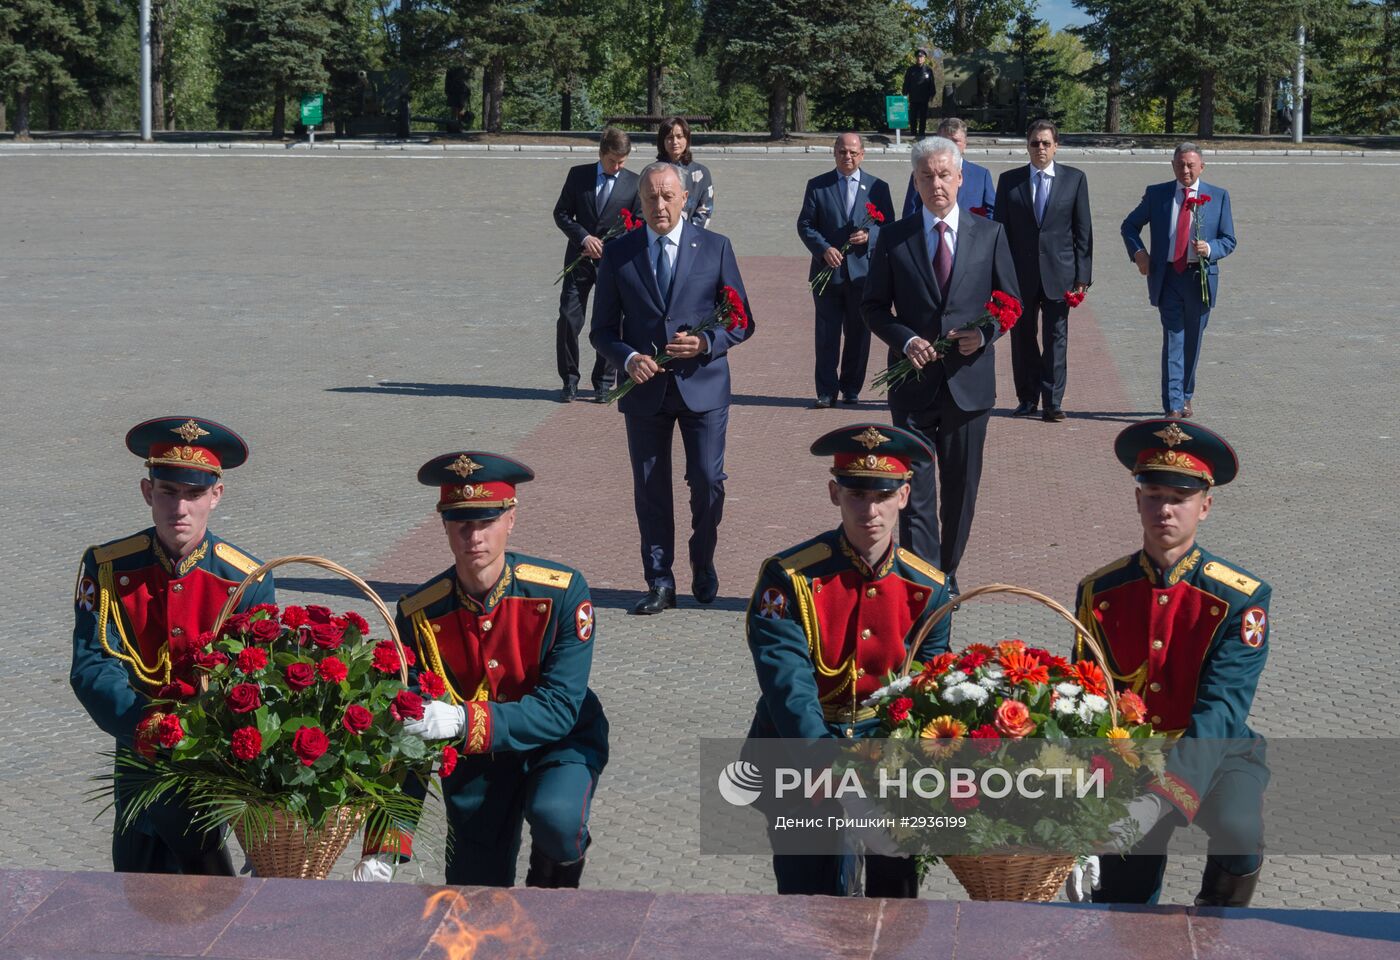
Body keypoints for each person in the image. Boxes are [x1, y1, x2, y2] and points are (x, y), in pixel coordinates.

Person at [353, 451, 608, 888]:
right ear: (445, 526)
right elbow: (406, 733)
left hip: (557, 740)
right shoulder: (420, 612)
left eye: (486, 521)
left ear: (511, 519)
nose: (474, 536)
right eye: (462, 523)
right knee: (474, 891)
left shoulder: (563, 592)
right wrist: (384, 847)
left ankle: (552, 904)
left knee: (556, 819)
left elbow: (560, 706)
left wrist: (461, 718)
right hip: (476, 762)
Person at [1066, 419, 1269, 907]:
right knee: (1124, 901)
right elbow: (1084, 697)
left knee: (1240, 831)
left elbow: (1222, 708)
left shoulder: (1239, 598)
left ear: (1205, 505)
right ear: (1137, 500)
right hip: (1128, 758)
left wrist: (1158, 799)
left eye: (1179, 497)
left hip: (1214, 753)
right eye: (1153, 494)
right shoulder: (1101, 591)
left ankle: (1219, 922)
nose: (1165, 509)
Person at [745, 423, 952, 896]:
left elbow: (927, 686)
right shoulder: (789, 577)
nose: (870, 510)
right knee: (808, 899)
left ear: (904, 495)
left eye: (883, 495)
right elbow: (787, 685)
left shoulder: (929, 587)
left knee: (895, 901)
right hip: (802, 753)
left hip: (888, 755)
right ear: (834, 492)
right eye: (857, 495)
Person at [71, 416, 274, 874]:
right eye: (167, 492)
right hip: (137, 749)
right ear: (147, 492)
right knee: (135, 881)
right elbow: (92, 666)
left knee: (208, 889)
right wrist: (150, 727)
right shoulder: (107, 567)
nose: (179, 508)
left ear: (216, 496)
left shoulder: (245, 580)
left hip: (211, 766)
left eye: (194, 494)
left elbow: (253, 679)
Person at [590, 162, 755, 615]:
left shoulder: (715, 248)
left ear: (685, 198)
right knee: (650, 489)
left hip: (703, 387)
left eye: (667, 196)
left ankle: (703, 560)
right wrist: (627, 358)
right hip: (645, 391)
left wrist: (705, 342)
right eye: (649, 198)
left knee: (707, 480)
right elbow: (601, 329)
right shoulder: (620, 253)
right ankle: (660, 581)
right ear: (638, 202)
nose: (659, 205)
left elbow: (742, 322)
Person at [862, 136, 1019, 597]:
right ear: (915, 181)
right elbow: (873, 307)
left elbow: (1008, 301)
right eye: (927, 176)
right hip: (911, 388)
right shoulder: (894, 238)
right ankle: (924, 578)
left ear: (960, 179)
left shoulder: (989, 234)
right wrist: (905, 338)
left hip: (969, 388)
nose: (937, 184)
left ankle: (948, 570)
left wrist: (985, 334)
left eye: (944, 174)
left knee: (961, 490)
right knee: (915, 491)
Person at [1119, 142, 1236, 418]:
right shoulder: (1157, 194)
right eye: (1180, 164)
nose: (1185, 170)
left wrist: (1210, 249)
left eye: (1191, 165)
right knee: (1173, 339)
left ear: (1202, 167)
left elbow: (1229, 239)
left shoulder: (1218, 197)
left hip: (1200, 280)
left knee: (1192, 341)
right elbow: (1129, 226)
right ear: (1173, 166)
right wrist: (1139, 254)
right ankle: (1172, 404)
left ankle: (1186, 395)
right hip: (1168, 276)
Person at [994, 119, 1093, 422]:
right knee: (1022, 339)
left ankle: (1053, 401)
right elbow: (1000, 232)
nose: (1040, 148)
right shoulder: (1009, 181)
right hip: (1019, 276)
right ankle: (1027, 398)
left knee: (1056, 338)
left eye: (1046, 143)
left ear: (1056, 146)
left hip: (1059, 274)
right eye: (1035, 143)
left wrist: (1082, 277)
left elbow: (1083, 231)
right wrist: (999, 276)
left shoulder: (1074, 179)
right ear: (1027, 145)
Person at [796, 133, 896, 408]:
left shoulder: (878, 187)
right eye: (842, 152)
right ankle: (826, 391)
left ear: (862, 154)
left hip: (862, 274)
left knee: (858, 334)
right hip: (827, 273)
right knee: (827, 335)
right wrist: (823, 249)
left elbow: (889, 225)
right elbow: (805, 224)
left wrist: (870, 235)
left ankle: (851, 388)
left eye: (852, 152)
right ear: (834, 153)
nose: (847, 157)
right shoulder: (818, 186)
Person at [553, 126, 641, 403]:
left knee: (610, 322)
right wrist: (583, 237)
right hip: (579, 260)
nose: (617, 167)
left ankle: (604, 382)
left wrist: (614, 244)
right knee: (568, 317)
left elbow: (638, 223)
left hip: (612, 264)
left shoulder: (633, 182)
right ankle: (569, 380)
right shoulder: (578, 176)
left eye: (622, 162)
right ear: (601, 154)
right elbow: (562, 213)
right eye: (613, 161)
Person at [901, 117, 995, 221]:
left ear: (965, 144)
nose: (950, 146)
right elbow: (910, 212)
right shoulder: (922, 173)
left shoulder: (981, 175)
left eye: (955, 141)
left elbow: (991, 211)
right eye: (945, 141)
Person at [657, 116, 714, 229]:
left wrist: (688, 234)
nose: (675, 142)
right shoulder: (654, 172)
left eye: (679, 137)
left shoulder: (701, 173)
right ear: (662, 141)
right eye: (669, 137)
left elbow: (705, 210)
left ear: (687, 139)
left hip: (691, 235)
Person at [901, 49, 934, 140]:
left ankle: (922, 132)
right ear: (916, 58)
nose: (919, 59)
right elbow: (906, 82)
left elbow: (931, 83)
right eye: (918, 57)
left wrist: (932, 95)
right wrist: (905, 93)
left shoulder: (928, 70)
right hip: (914, 97)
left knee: (923, 116)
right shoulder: (911, 70)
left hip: (924, 97)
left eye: (921, 57)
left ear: (924, 58)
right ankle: (913, 132)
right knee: (913, 116)